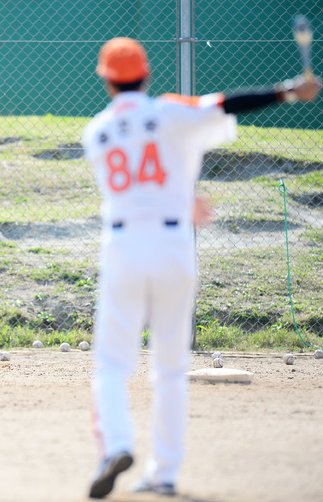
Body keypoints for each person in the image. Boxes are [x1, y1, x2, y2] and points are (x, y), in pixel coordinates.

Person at [83, 37, 321, 498]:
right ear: (146, 75)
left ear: (107, 82)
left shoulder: (97, 131)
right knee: (171, 368)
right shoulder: (172, 111)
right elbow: (226, 104)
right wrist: (290, 91)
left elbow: (136, 179)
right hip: (174, 245)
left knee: (111, 364)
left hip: (124, 245)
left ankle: (117, 445)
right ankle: (164, 474)